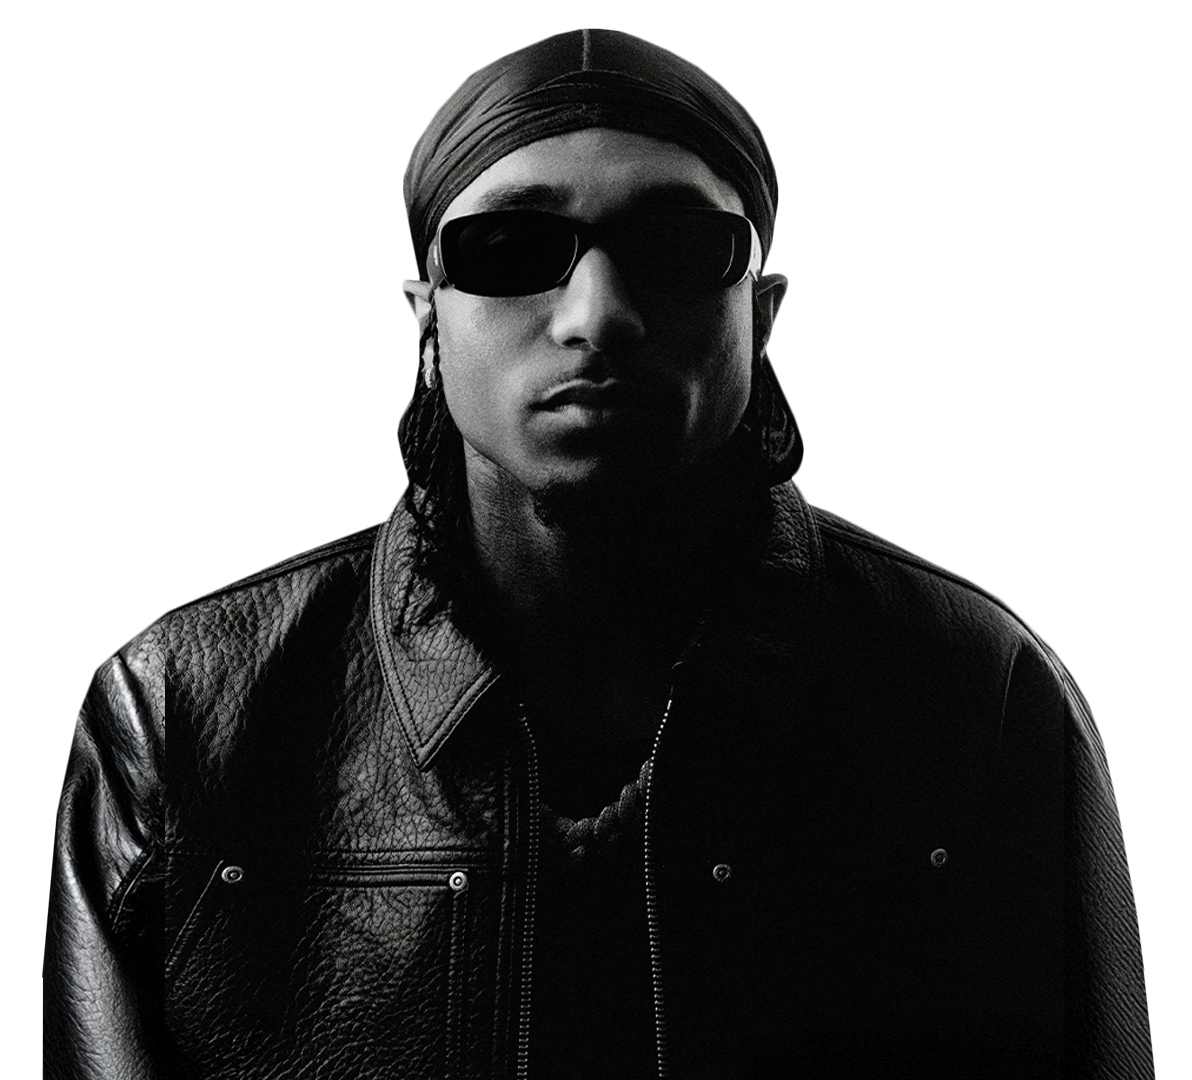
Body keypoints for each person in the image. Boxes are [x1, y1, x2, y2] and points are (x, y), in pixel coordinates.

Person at [45, 29, 1153, 1080]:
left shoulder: (978, 695)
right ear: (424, 319)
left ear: (764, 313)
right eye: (511, 251)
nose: (597, 313)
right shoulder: (188, 715)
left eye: (677, 248)